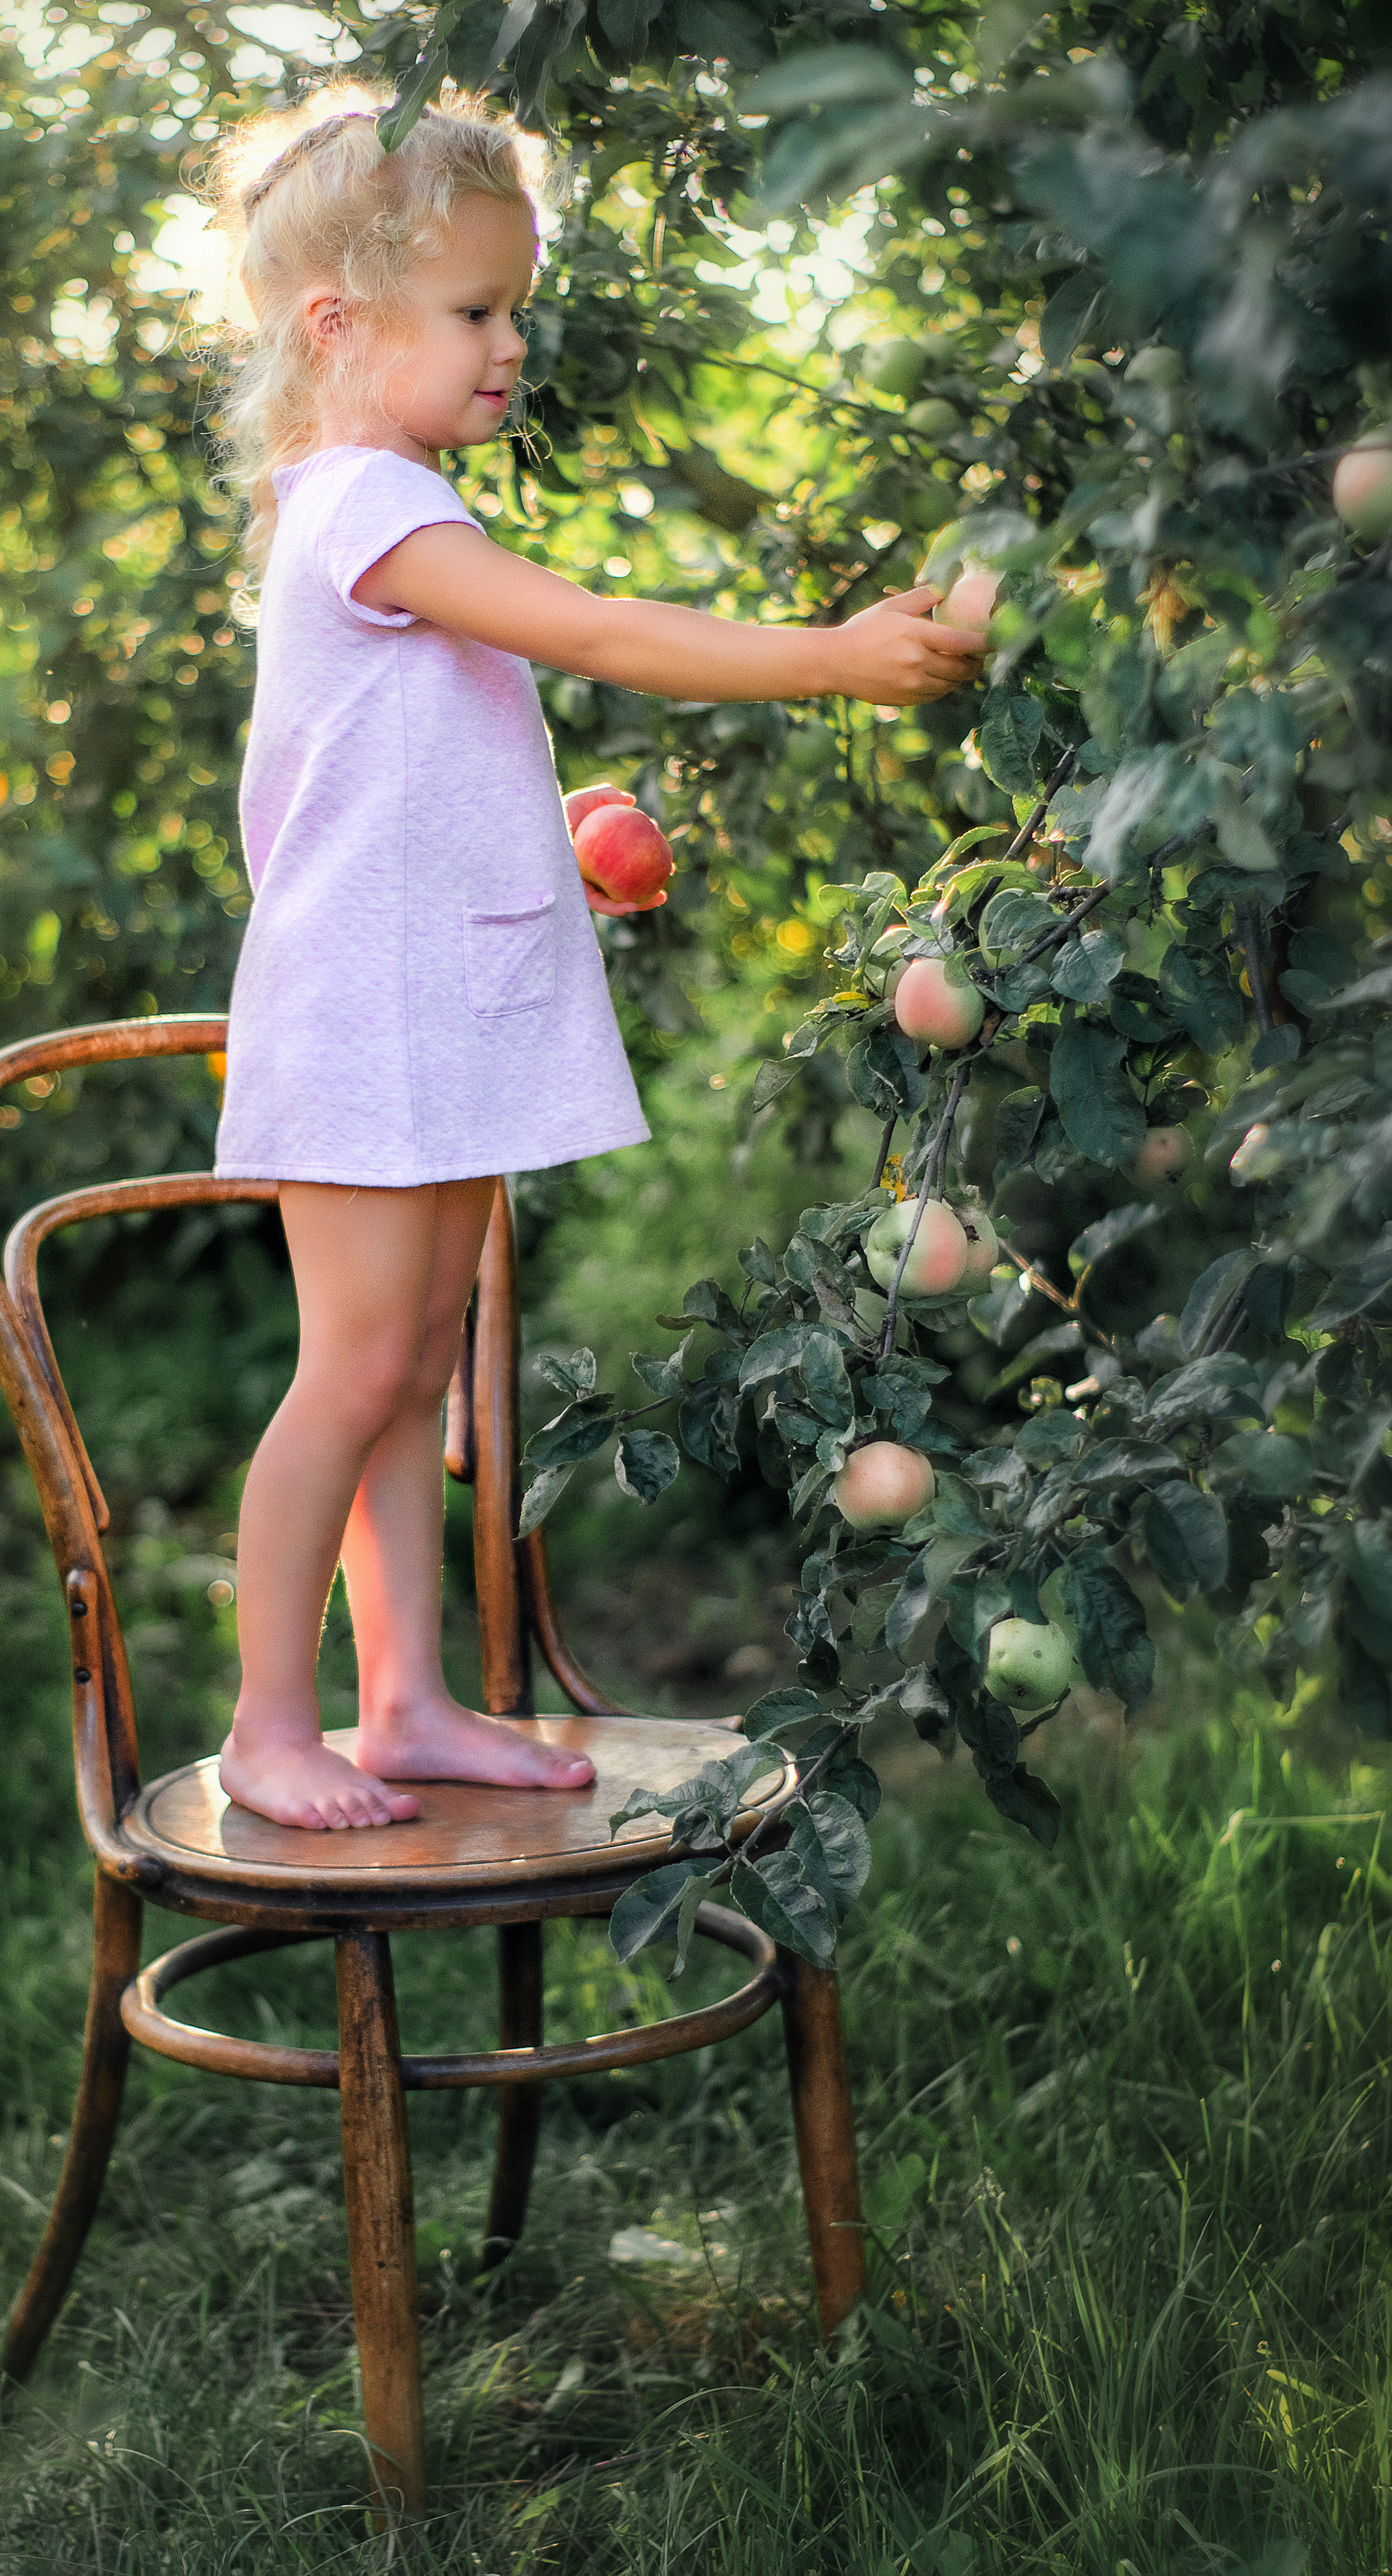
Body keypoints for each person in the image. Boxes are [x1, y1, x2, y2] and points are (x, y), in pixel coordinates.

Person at [199, 88, 984, 1833]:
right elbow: (598, 631)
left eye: (514, 305)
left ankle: (401, 1696)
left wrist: (539, 856)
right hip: (361, 1011)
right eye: (473, 310)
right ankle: (273, 1718)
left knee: (411, 1371)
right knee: (351, 1368)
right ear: (339, 327)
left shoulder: (390, 508)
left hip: (433, 996)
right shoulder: (357, 504)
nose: (510, 342)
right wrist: (829, 655)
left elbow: (405, 775)